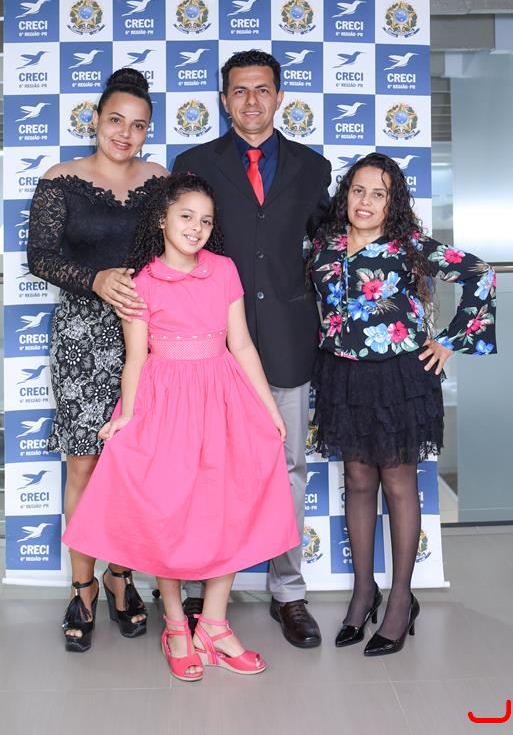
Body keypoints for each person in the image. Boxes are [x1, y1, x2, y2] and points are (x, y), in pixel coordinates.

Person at [62, 173, 300, 681]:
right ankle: (175, 625)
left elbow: (241, 343)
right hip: (165, 400)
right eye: (186, 216)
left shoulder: (224, 270)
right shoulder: (142, 282)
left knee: (230, 505)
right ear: (162, 219)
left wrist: (269, 408)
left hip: (223, 395)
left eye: (205, 221)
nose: (196, 228)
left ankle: (214, 624)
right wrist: (127, 416)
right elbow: (135, 358)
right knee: (167, 511)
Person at [172, 50, 332, 649]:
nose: (251, 100)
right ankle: (197, 588)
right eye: (239, 91)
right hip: (211, 345)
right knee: (203, 468)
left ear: (279, 96)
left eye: (262, 89)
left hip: (288, 341)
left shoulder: (313, 168)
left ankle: (287, 592)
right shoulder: (194, 164)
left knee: (287, 468)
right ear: (224, 100)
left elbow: (328, 251)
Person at [310, 152, 497, 656]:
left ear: (392, 203)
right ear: (345, 194)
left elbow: (480, 273)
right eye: (358, 190)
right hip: (342, 375)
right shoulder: (325, 245)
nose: (366, 201)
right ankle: (363, 593)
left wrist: (450, 340)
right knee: (357, 480)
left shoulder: (410, 245)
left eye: (379, 194)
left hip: (399, 376)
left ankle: (399, 599)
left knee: (397, 482)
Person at [27, 68, 169, 652]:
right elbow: (39, 256)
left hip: (151, 337)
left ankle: (120, 576)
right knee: (84, 466)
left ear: (147, 131)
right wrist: (96, 279)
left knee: (134, 467)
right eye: (115, 120)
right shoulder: (60, 179)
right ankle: (82, 587)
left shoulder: (161, 181)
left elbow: (181, 247)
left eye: (138, 125)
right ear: (95, 119)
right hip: (82, 338)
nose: (125, 133)